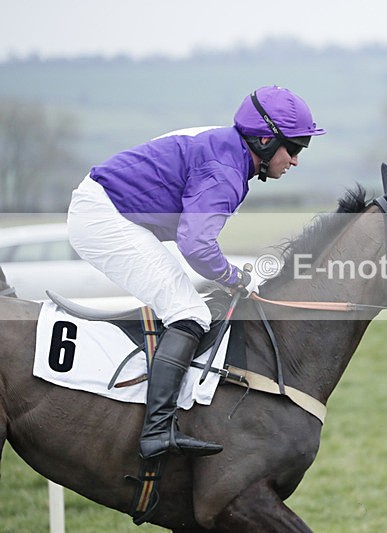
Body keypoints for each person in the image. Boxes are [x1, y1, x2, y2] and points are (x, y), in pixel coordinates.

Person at [67, 86, 325, 459]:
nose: (296, 160)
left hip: (110, 210)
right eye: (295, 148)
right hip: (105, 218)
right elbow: (196, 245)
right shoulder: (226, 171)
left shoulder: (227, 146)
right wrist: (234, 277)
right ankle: (156, 431)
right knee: (190, 313)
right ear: (266, 140)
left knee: (186, 305)